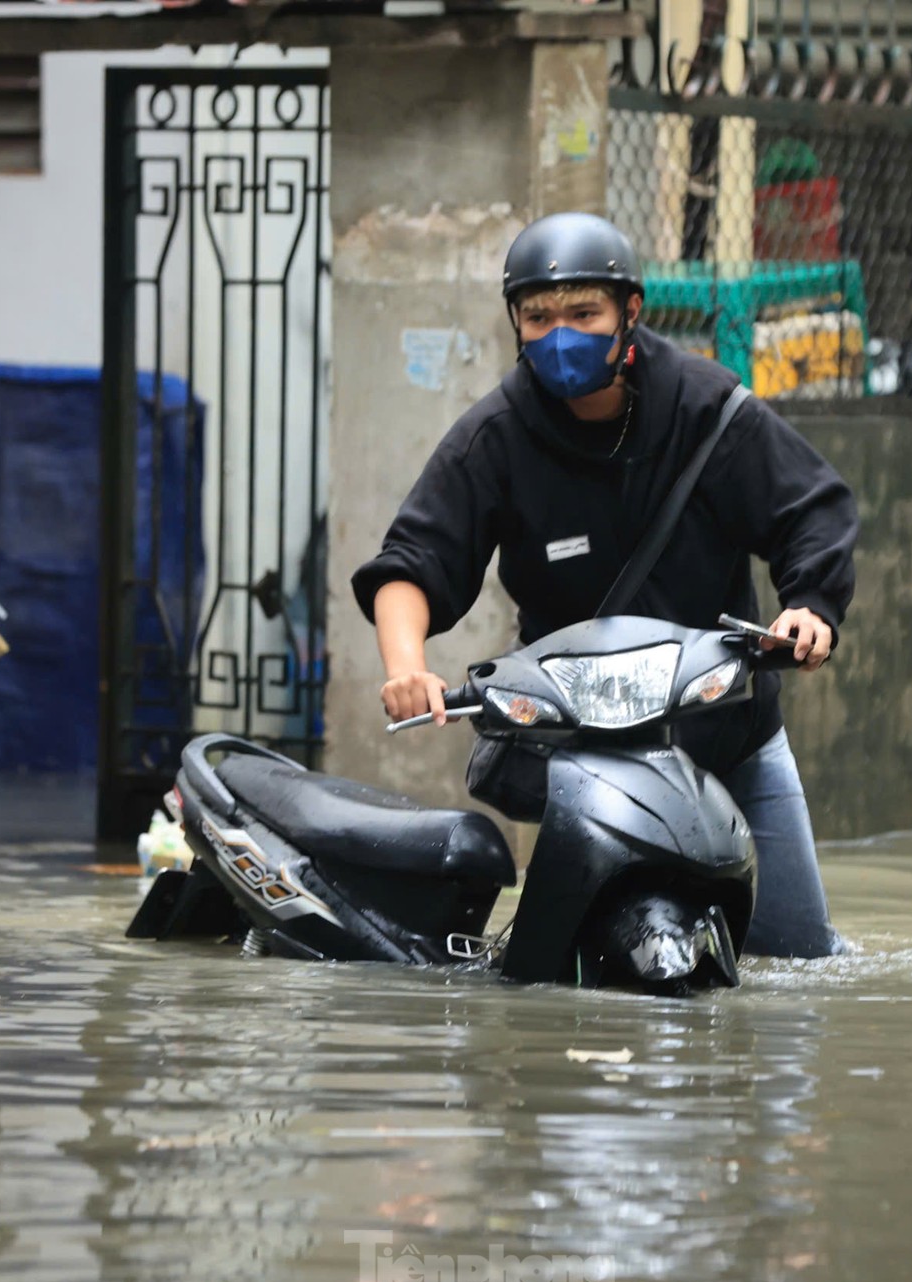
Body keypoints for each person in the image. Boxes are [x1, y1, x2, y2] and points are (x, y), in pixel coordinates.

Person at [350, 213, 859, 959]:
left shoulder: (707, 410)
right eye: (539, 317)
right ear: (515, 324)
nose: (562, 334)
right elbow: (412, 561)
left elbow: (810, 510)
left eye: (584, 313)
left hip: (728, 741)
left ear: (631, 312)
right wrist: (405, 669)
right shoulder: (496, 436)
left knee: (799, 966)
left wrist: (810, 610)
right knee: (557, 973)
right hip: (582, 757)